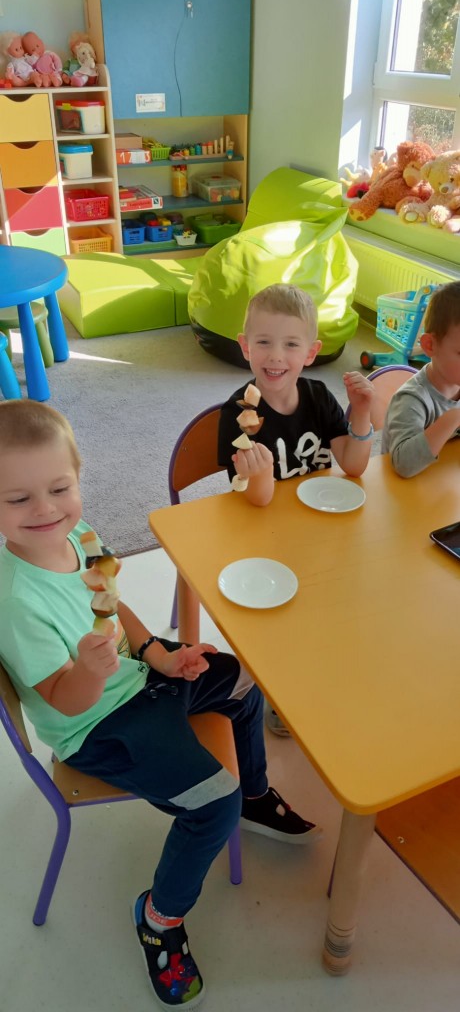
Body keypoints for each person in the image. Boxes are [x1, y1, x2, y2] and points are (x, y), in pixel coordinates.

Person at [0, 400, 319, 1011]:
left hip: (135, 676)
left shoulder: (80, 536)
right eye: (18, 499)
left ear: (78, 478)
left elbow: (112, 601)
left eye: (59, 488)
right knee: (213, 803)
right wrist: (92, 672)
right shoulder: (15, 603)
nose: (45, 509)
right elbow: (63, 699)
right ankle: (159, 916)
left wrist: (155, 653)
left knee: (242, 681)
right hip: (97, 722)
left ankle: (255, 796)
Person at [217, 284, 374, 736]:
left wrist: (362, 411)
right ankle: (279, 688)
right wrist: (262, 472)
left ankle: (325, 665)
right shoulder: (237, 414)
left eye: (290, 344)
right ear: (245, 346)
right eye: (264, 342)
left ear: (310, 352)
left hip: (319, 530)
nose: (275, 356)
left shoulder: (319, 397)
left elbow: (354, 465)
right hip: (261, 536)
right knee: (278, 620)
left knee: (345, 595)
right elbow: (257, 499)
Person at [382, 281, 460, 477]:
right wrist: (453, 418)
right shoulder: (411, 400)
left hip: (442, 481)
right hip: (401, 489)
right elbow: (404, 465)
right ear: (430, 345)